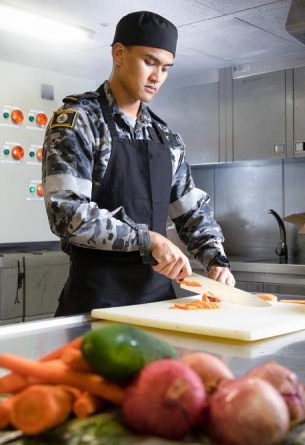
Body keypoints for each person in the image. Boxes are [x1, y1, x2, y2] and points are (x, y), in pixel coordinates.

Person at [42, 10, 234, 316]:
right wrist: (148, 240)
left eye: (166, 68)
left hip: (158, 308)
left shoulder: (166, 138)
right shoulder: (80, 121)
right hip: (96, 307)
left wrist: (216, 261)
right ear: (119, 54)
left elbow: (191, 211)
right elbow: (66, 213)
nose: (157, 77)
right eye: (150, 62)